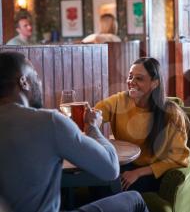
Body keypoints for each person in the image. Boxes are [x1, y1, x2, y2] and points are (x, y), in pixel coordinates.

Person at [0, 51, 149, 212]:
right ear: (24, 82)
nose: (40, 82)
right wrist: (92, 126)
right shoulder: (49, 122)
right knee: (134, 199)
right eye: (36, 76)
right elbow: (110, 168)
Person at [95, 57, 190, 192]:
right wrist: (90, 118)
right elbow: (97, 114)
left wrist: (137, 173)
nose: (131, 82)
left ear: (154, 83)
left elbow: (178, 158)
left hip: (151, 174)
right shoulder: (119, 100)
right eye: (130, 76)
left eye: (139, 79)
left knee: (110, 189)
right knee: (96, 182)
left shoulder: (172, 114)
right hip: (123, 165)